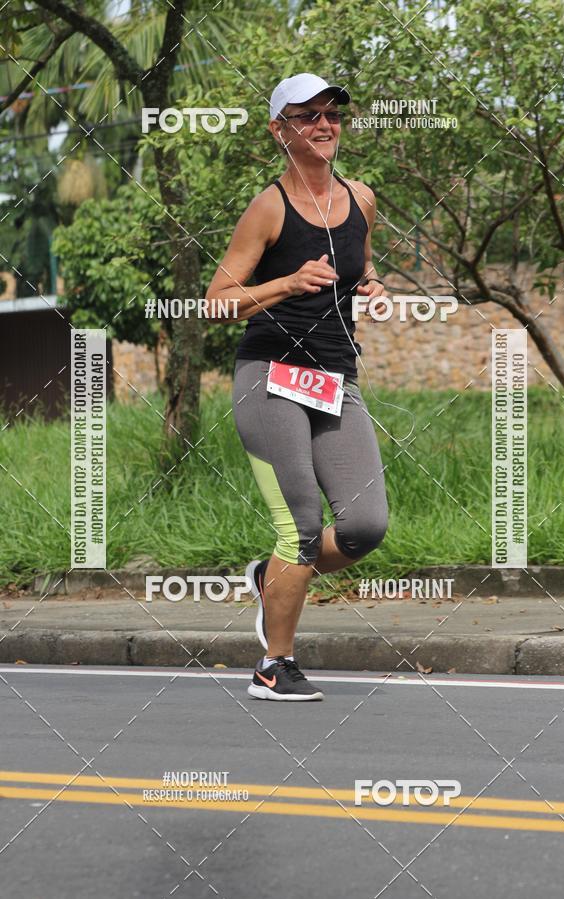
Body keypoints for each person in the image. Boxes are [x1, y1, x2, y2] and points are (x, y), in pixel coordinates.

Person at [205, 73, 389, 701]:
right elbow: (217, 303)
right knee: (302, 528)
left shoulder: (361, 198)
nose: (324, 124)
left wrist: (374, 287)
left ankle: (271, 578)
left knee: (365, 526)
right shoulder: (267, 207)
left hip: (336, 378)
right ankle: (273, 665)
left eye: (332, 113)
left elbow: (362, 267)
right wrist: (284, 284)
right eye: (306, 115)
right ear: (278, 130)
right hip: (271, 376)